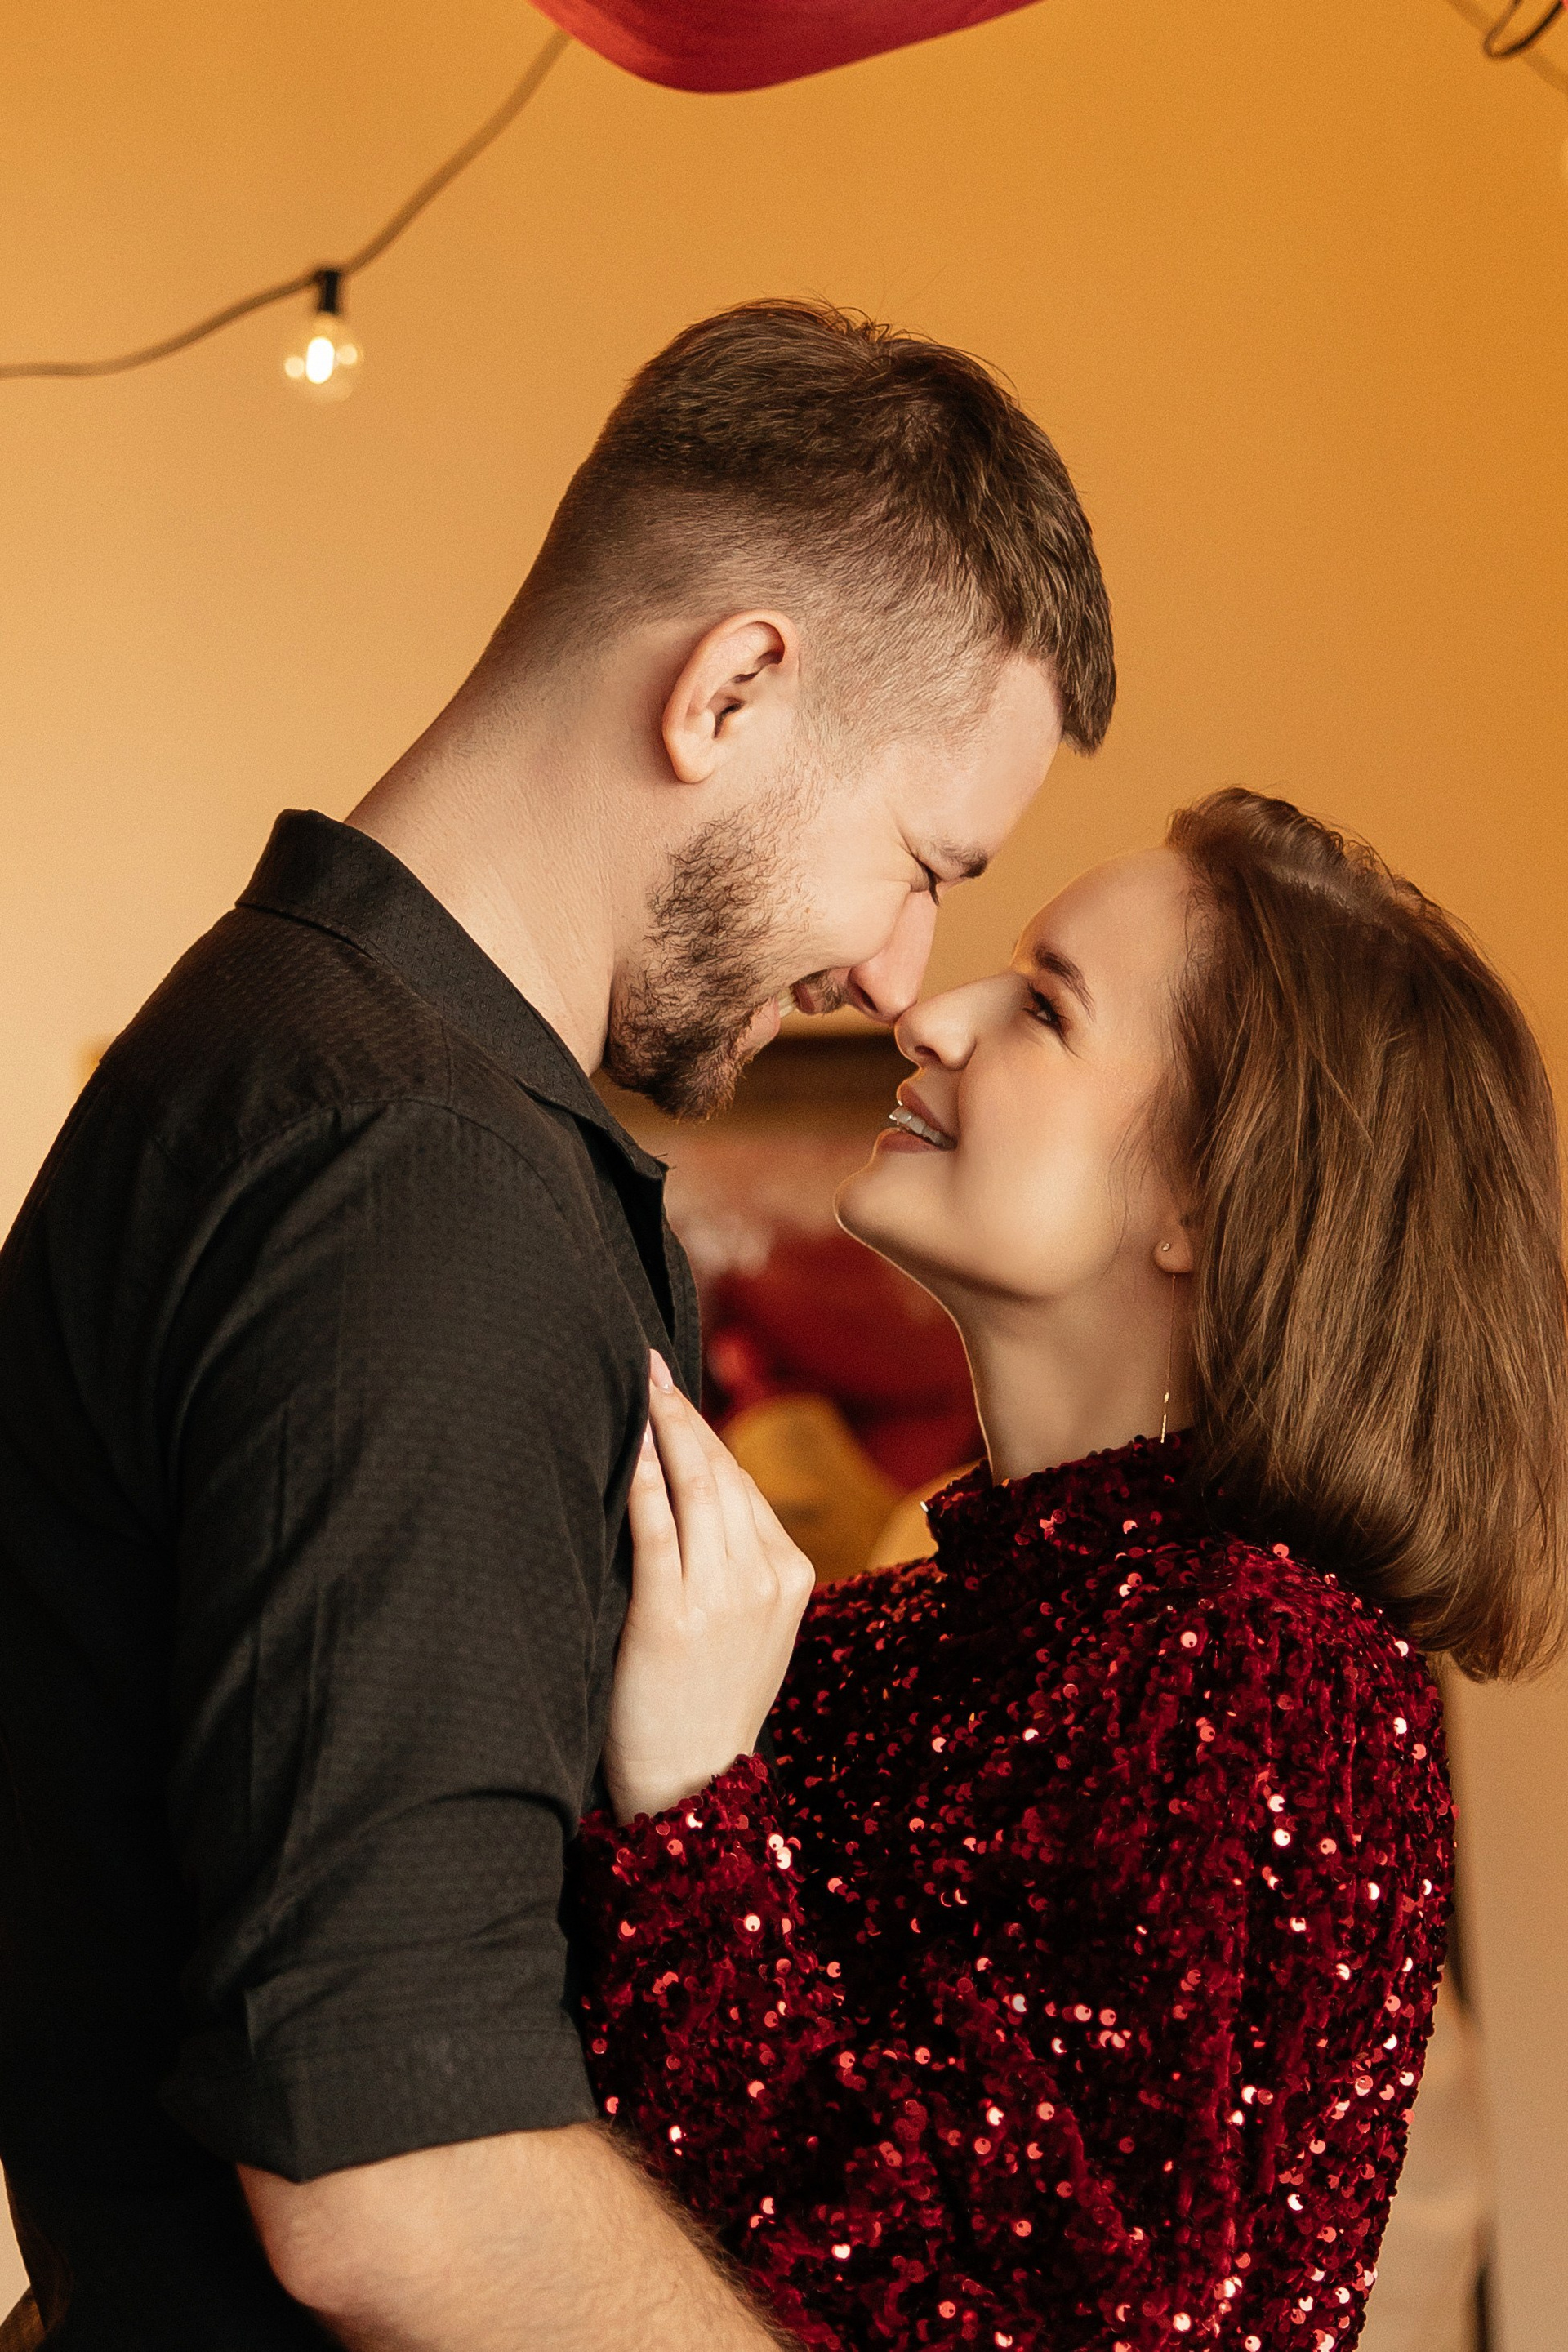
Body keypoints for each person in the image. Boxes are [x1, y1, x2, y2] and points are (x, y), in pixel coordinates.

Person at [0, 302, 1113, 2348]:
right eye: (918, 864)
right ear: (731, 690)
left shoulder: (295, 1057)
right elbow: (392, 2174)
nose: (898, 971)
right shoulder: (415, 1179)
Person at [575, 790, 1568, 2352]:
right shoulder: (905, 1637)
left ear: (1206, 1201)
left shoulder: (1267, 1671)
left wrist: (694, 1816)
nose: (930, 1016)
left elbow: (1034, 2315)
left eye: (1046, 1006)